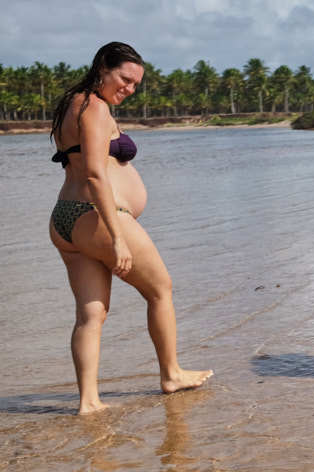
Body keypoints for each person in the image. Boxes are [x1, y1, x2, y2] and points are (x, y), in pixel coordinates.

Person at [49, 42, 212, 414]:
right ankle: (171, 373)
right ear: (103, 67)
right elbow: (93, 173)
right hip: (97, 216)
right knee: (161, 290)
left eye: (136, 84)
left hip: (65, 218)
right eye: (125, 79)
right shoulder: (93, 106)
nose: (129, 88)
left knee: (90, 314)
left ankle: (88, 402)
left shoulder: (71, 104)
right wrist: (117, 236)